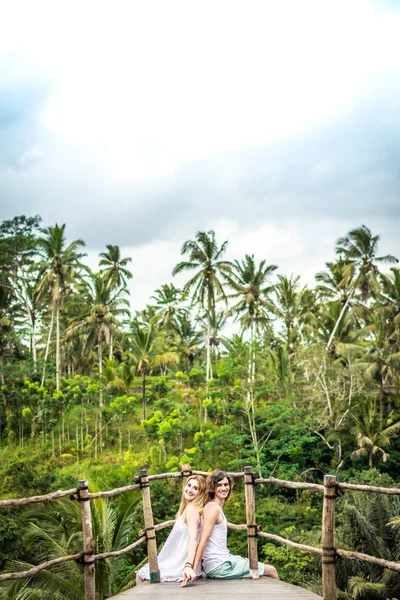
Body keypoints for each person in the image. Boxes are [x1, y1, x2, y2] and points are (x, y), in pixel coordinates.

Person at [182, 469, 278, 586]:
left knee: (259, 571)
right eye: (219, 485)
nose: (223, 488)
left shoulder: (215, 508)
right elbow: (203, 540)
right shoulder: (212, 509)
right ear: (212, 488)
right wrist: (193, 568)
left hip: (223, 560)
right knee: (271, 571)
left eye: (226, 485)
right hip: (219, 565)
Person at [136, 474, 206, 583]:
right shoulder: (186, 509)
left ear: (200, 494)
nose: (190, 490)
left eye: (195, 488)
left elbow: (194, 539)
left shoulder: (192, 510)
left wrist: (188, 565)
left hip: (182, 563)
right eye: (189, 485)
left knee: (143, 575)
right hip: (179, 560)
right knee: (145, 572)